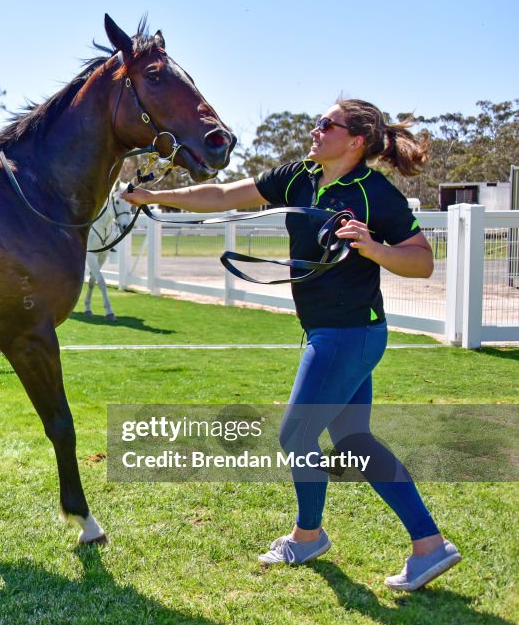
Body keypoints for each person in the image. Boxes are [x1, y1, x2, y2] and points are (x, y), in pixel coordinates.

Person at [123, 99, 461, 591]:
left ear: (356, 140)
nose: (316, 128)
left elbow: (422, 262)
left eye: (327, 124)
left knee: (295, 435)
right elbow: (223, 196)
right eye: (318, 121)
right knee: (353, 441)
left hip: (350, 333)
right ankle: (429, 546)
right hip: (332, 331)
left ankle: (308, 536)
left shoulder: (373, 193)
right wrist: (156, 199)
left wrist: (373, 247)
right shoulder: (299, 175)